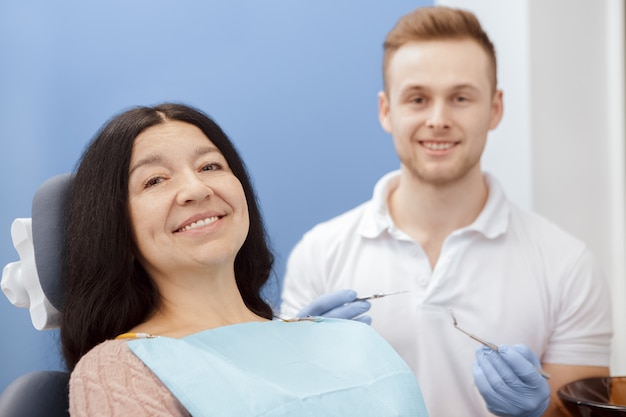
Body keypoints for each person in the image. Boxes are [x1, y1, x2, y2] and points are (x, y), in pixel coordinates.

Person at [280, 6, 613, 417]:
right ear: (387, 110)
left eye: (460, 98)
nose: (438, 120)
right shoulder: (319, 255)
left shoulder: (567, 265)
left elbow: (581, 411)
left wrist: (536, 413)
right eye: (418, 99)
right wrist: (300, 365)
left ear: (494, 108)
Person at [61, 103, 429, 416]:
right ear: (114, 228)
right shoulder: (118, 370)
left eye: (210, 167)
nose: (195, 189)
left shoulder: (351, 342)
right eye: (155, 180)